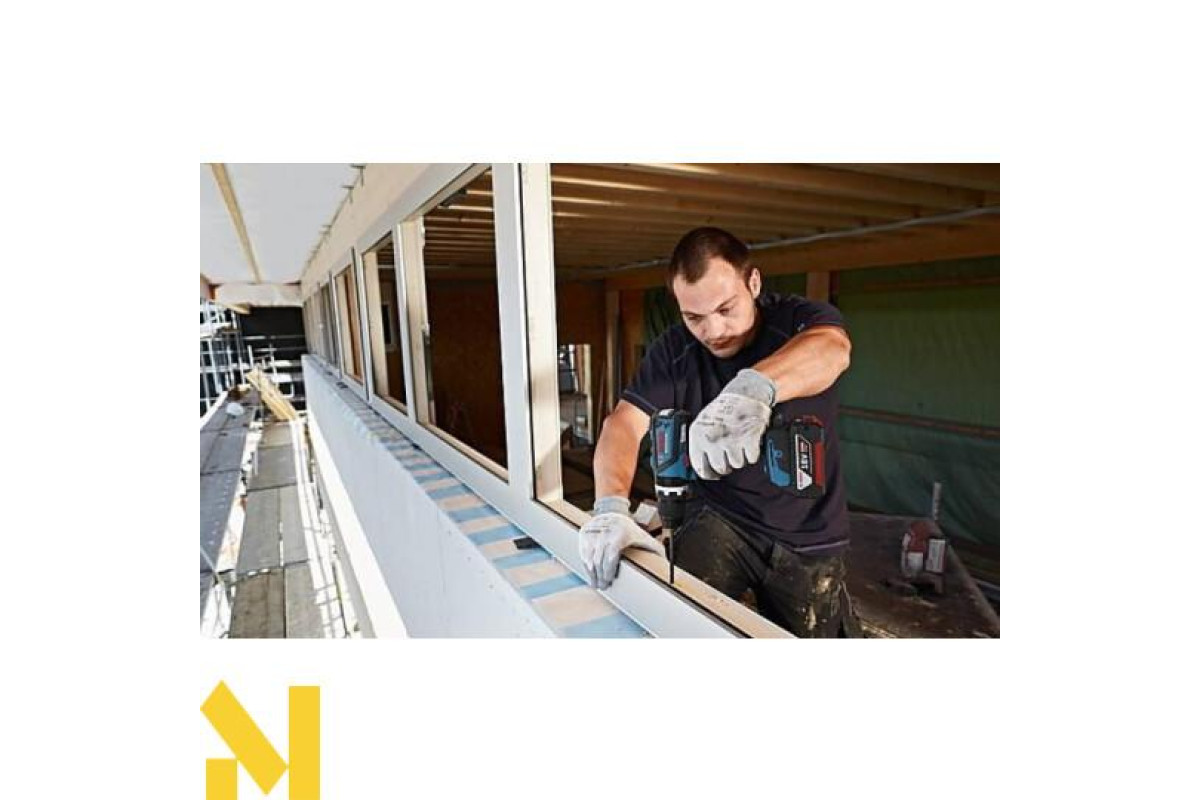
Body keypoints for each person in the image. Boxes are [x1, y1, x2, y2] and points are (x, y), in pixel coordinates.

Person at [577, 226, 859, 637]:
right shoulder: (674, 350)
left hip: (808, 532)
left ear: (753, 283)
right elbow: (623, 424)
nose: (713, 331)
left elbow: (833, 349)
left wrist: (753, 389)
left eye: (726, 309)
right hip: (722, 518)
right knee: (672, 619)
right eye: (694, 317)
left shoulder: (798, 320)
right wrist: (610, 509)